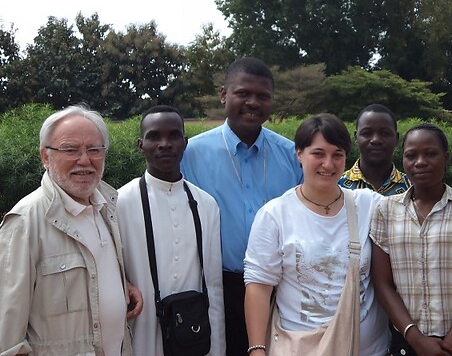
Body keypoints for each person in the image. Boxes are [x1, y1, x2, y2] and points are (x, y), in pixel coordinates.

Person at [180, 57, 303, 356]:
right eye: (243, 93)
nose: (253, 102)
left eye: (263, 96)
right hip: (218, 287)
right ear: (224, 94)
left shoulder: (291, 155)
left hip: (281, 289)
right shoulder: (191, 154)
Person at [0, 105, 142, 356]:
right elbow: (8, 335)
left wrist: (122, 285)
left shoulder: (106, 207)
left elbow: (87, 270)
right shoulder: (25, 222)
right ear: (46, 157)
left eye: (94, 149)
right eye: (70, 149)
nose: (85, 160)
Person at [244, 113, 390, 356]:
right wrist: (257, 350)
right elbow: (259, 285)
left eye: (337, 155)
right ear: (299, 154)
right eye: (318, 154)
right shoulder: (275, 214)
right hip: (299, 348)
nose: (328, 164)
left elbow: (414, 215)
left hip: (367, 349)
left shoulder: (369, 205)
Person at [370, 123, 452, 356]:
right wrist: (416, 339)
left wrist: (448, 346)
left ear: (445, 158)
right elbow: (383, 284)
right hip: (408, 344)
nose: (420, 162)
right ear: (403, 160)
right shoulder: (385, 211)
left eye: (430, 154)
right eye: (411, 155)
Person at [116, 105, 225, 355]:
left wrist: (218, 348)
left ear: (185, 143)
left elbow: (213, 285)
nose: (164, 144)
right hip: (141, 332)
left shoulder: (206, 204)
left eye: (174, 136)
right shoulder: (120, 203)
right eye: (154, 136)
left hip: (194, 336)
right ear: (141, 145)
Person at [339, 104, 410, 196]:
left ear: (396, 139)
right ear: (356, 138)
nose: (376, 140)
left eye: (384, 133)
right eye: (367, 133)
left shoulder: (412, 188)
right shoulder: (337, 186)